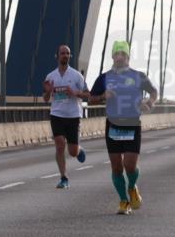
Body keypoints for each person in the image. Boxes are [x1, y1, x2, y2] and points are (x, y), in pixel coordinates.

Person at [88, 40, 158, 215]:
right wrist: (104, 95)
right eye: (117, 54)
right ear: (112, 56)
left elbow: (154, 91)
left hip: (132, 124)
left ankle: (132, 187)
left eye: (123, 54)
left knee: (130, 166)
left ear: (128, 57)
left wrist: (149, 102)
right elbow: (91, 98)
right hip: (113, 125)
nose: (119, 57)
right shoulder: (104, 77)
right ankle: (123, 201)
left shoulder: (138, 76)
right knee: (117, 167)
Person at [42, 44, 88, 189]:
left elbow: (88, 94)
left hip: (73, 116)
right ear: (57, 56)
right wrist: (48, 92)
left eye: (68, 53)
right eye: (63, 53)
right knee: (60, 145)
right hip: (57, 114)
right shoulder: (51, 76)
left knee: (72, 151)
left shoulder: (76, 76)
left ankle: (79, 150)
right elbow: (45, 98)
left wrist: (74, 93)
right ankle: (64, 177)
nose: (65, 55)